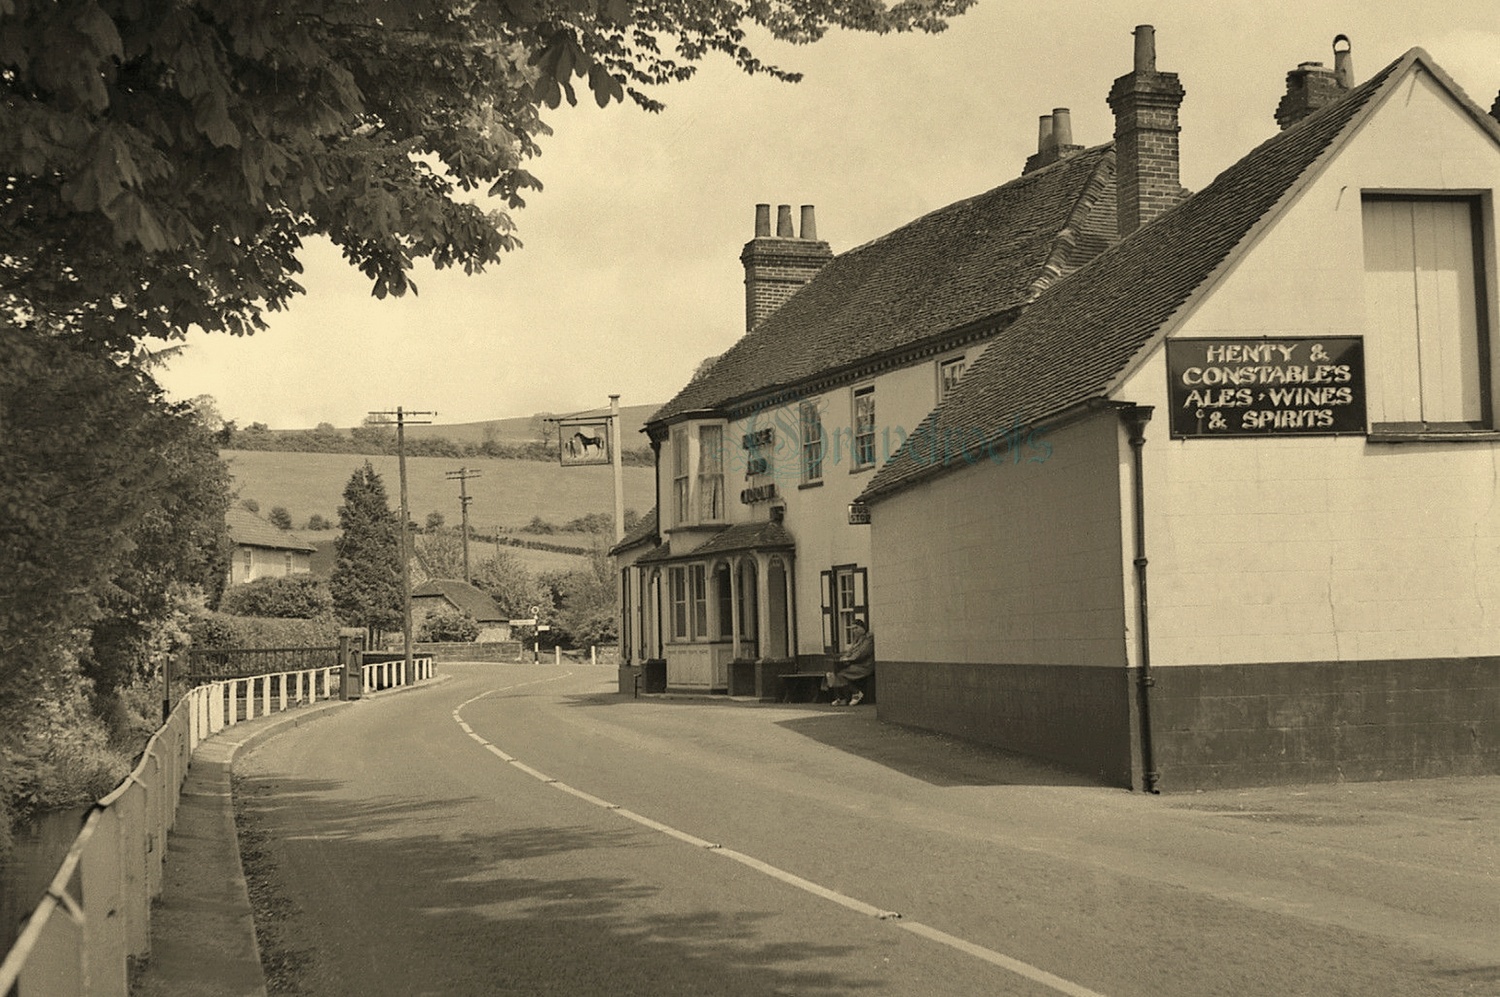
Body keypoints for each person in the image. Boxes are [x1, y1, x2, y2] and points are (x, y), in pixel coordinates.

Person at [823, 621, 874, 706]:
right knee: (832, 673)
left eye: (856, 628)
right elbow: (850, 651)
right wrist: (844, 657)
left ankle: (856, 693)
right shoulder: (856, 640)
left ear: (863, 628)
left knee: (841, 674)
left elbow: (862, 654)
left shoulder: (869, 639)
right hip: (855, 664)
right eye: (853, 629)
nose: (854, 630)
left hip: (864, 665)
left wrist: (848, 659)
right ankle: (841, 698)